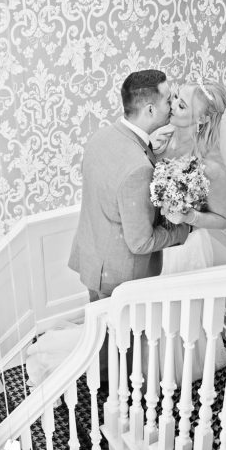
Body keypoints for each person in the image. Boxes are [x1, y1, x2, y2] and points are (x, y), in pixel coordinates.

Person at [26, 70, 192, 389]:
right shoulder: (137, 169)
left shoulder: (103, 136)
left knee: (102, 337)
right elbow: (141, 241)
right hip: (118, 275)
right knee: (120, 347)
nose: (173, 104)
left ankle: (101, 378)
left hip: (93, 255)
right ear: (149, 110)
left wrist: (152, 153)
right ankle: (113, 394)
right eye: (168, 99)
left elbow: (114, 189)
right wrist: (182, 233)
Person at [150, 77, 226, 380]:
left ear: (203, 118)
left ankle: (182, 371)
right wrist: (151, 151)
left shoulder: (211, 164)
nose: (172, 106)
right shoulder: (160, 139)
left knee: (181, 319)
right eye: (175, 98)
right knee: (155, 318)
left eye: (181, 104)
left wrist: (189, 216)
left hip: (187, 250)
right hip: (156, 243)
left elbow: (221, 219)